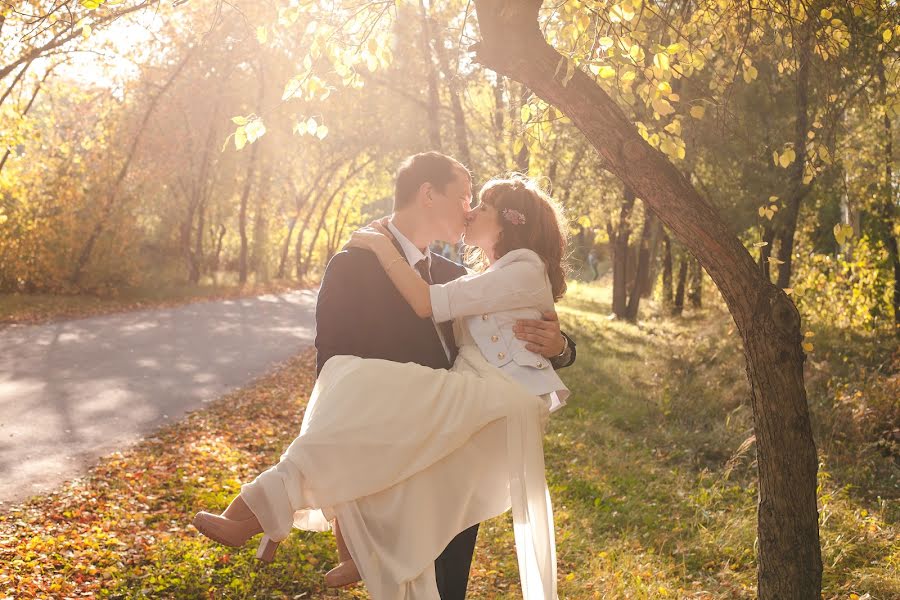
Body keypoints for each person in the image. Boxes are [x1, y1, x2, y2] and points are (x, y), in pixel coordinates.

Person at [193, 153, 576, 599]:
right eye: (464, 197)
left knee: (447, 582)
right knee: (355, 389)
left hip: (457, 438)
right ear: (429, 195)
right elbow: (333, 368)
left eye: (477, 202)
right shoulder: (352, 265)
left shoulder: (460, 275)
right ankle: (286, 520)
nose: (470, 210)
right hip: (390, 437)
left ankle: (261, 513)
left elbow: (519, 330)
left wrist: (562, 347)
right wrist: (342, 490)